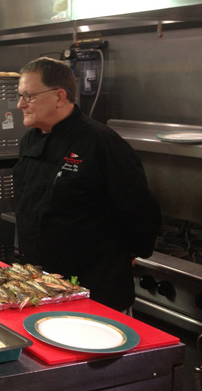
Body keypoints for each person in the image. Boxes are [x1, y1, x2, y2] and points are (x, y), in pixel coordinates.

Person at [13, 56, 161, 312]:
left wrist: (134, 251)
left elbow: (139, 208)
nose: (20, 105)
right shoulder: (29, 140)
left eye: (28, 96)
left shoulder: (100, 142)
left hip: (96, 288)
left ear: (59, 96)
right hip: (41, 285)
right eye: (20, 96)